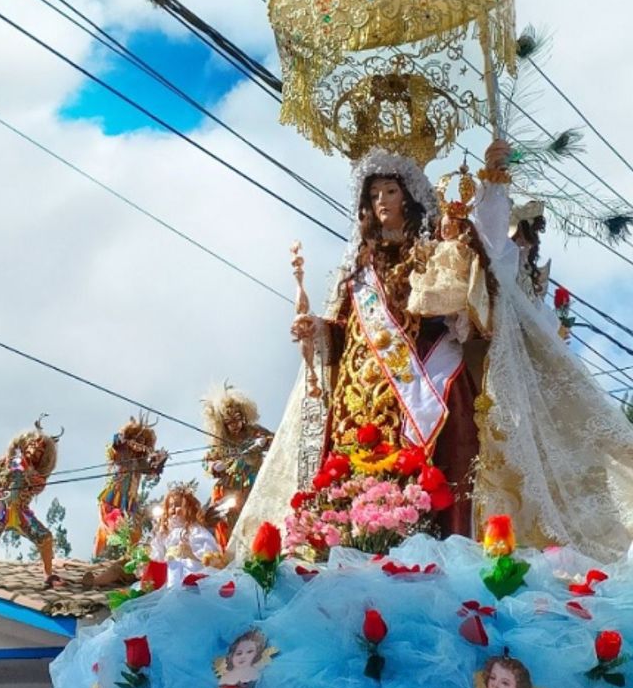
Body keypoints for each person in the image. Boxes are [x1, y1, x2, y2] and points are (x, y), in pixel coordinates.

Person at [238, 136, 633, 559]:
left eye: (390, 191)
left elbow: (478, 281)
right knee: (354, 497)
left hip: (433, 385)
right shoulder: (357, 273)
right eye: (374, 195)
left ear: (408, 198)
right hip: (361, 403)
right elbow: (346, 330)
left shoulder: (432, 253)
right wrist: (316, 329)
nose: (382, 202)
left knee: (443, 478)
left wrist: (493, 184)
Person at [0, 417, 64, 588]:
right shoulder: (6, 462)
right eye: (33, 445)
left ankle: (48, 575)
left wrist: (28, 472)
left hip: (20, 513)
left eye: (40, 450)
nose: (35, 450)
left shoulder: (37, 476)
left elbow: (38, 487)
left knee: (45, 538)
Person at [200, 387, 272, 551]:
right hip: (228, 489)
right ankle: (228, 552)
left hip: (252, 486)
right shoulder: (220, 441)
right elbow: (206, 462)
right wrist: (214, 466)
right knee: (226, 523)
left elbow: (276, 439)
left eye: (237, 419)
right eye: (229, 422)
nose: (234, 425)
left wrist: (264, 442)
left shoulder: (254, 431)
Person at [94, 414, 168, 556]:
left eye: (143, 440)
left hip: (129, 502)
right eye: (137, 439)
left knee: (135, 531)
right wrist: (123, 440)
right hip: (113, 497)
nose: (140, 443)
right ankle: (99, 556)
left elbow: (153, 469)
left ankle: (130, 558)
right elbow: (116, 442)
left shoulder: (141, 462)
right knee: (111, 527)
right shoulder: (122, 451)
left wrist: (160, 460)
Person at [147, 484, 225, 588]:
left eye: (178, 505)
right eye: (170, 506)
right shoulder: (164, 533)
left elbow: (207, 551)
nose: (173, 508)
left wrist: (197, 554)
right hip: (170, 574)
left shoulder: (193, 529)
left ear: (188, 508)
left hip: (189, 570)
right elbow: (157, 554)